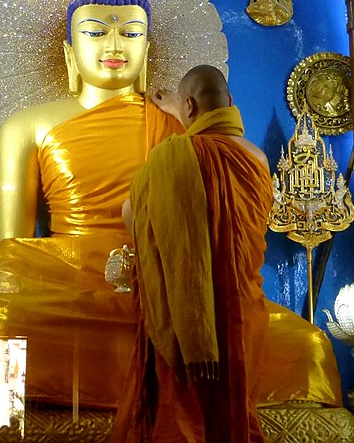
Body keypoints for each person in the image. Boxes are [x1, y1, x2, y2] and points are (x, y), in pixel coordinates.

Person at [0, 0, 343, 413]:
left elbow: (207, 231)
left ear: (149, 48)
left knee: (306, 345)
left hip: (170, 286)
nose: (115, 45)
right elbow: (10, 252)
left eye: (132, 34)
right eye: (96, 33)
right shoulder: (27, 126)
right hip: (66, 291)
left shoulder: (180, 128)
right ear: (68, 50)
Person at [111, 65, 270, 442]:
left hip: (184, 317)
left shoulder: (169, 159)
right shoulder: (257, 159)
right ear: (230, 103)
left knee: (183, 415)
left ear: (189, 105)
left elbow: (130, 215)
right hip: (242, 312)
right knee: (234, 403)